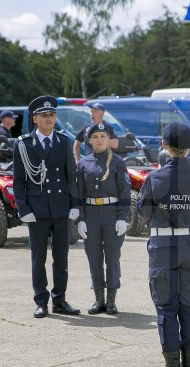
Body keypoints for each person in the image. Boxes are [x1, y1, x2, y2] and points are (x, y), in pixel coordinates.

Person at [136, 122, 190, 367]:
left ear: (164, 146)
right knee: (188, 305)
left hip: (164, 246)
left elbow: (143, 213)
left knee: (167, 308)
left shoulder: (154, 179)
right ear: (189, 148)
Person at [12, 95, 81, 318]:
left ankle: (59, 299)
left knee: (61, 258)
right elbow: (19, 180)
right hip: (37, 210)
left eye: (52, 115)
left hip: (60, 208)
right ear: (35, 119)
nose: (49, 119)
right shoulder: (23, 144)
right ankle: (41, 300)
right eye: (44, 115)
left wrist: (75, 204)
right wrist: (23, 208)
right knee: (38, 258)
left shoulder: (63, 141)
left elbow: (71, 176)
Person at [75, 122, 131, 315]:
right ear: (89, 140)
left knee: (113, 257)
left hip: (111, 213)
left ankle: (112, 300)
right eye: (95, 137)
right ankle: (99, 300)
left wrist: (122, 217)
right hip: (90, 214)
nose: (99, 140)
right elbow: (78, 194)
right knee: (94, 257)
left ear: (108, 139)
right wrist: (79, 219)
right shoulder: (83, 163)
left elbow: (125, 191)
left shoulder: (117, 162)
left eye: (103, 136)